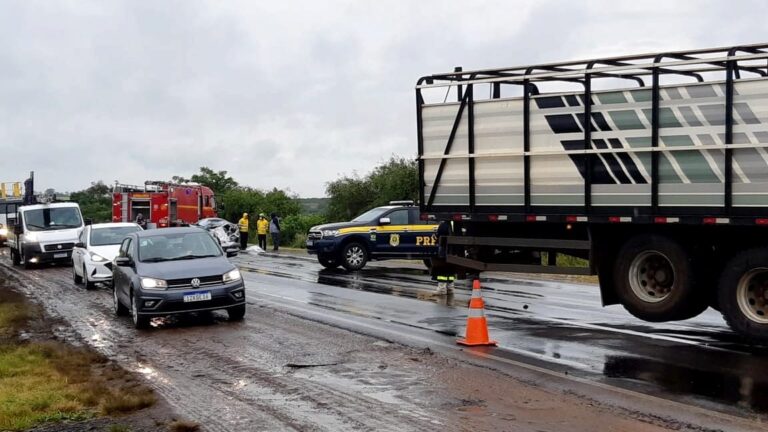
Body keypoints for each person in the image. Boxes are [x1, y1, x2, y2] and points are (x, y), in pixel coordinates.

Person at [431, 220, 456, 295]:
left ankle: (441, 289)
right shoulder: (454, 224)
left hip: (444, 248)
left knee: (442, 268)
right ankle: (450, 288)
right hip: (453, 250)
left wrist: (435, 236)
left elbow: (439, 236)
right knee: (450, 268)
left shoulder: (444, 225)